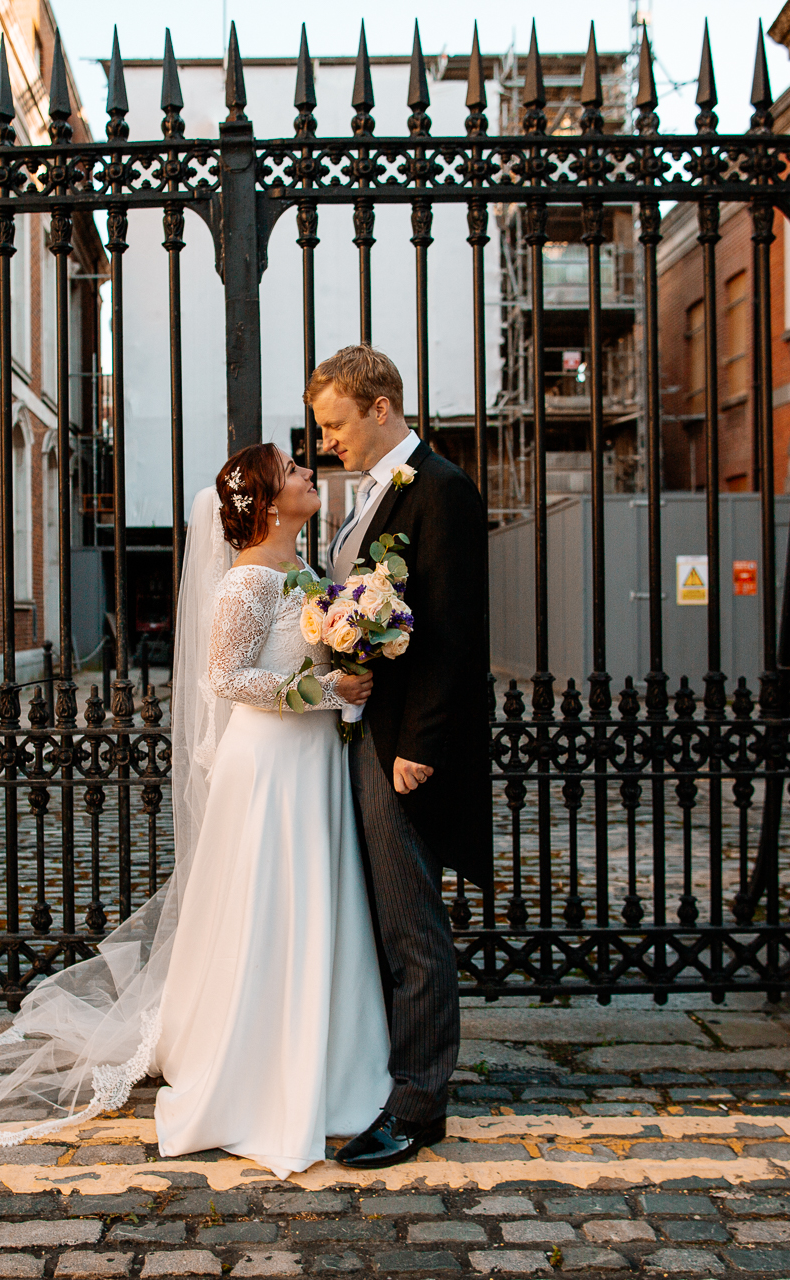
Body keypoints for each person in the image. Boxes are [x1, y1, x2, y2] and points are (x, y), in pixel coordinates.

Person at [0, 442, 392, 1180]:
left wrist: (350, 659)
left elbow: (308, 653)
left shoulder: (307, 573)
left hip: (312, 762)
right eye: (294, 471)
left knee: (317, 901)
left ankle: (333, 1059)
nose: (310, 472)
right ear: (272, 503)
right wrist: (323, 695)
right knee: (268, 905)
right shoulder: (247, 582)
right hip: (269, 762)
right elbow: (226, 676)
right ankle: (251, 1066)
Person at [309, 344, 491, 1170]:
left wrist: (421, 748)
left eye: (336, 424)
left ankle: (419, 1104)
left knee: (411, 924)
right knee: (382, 918)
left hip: (401, 751)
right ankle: (388, 1076)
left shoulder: (441, 490)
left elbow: (455, 634)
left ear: (380, 407)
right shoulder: (366, 498)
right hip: (364, 734)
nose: (327, 443)